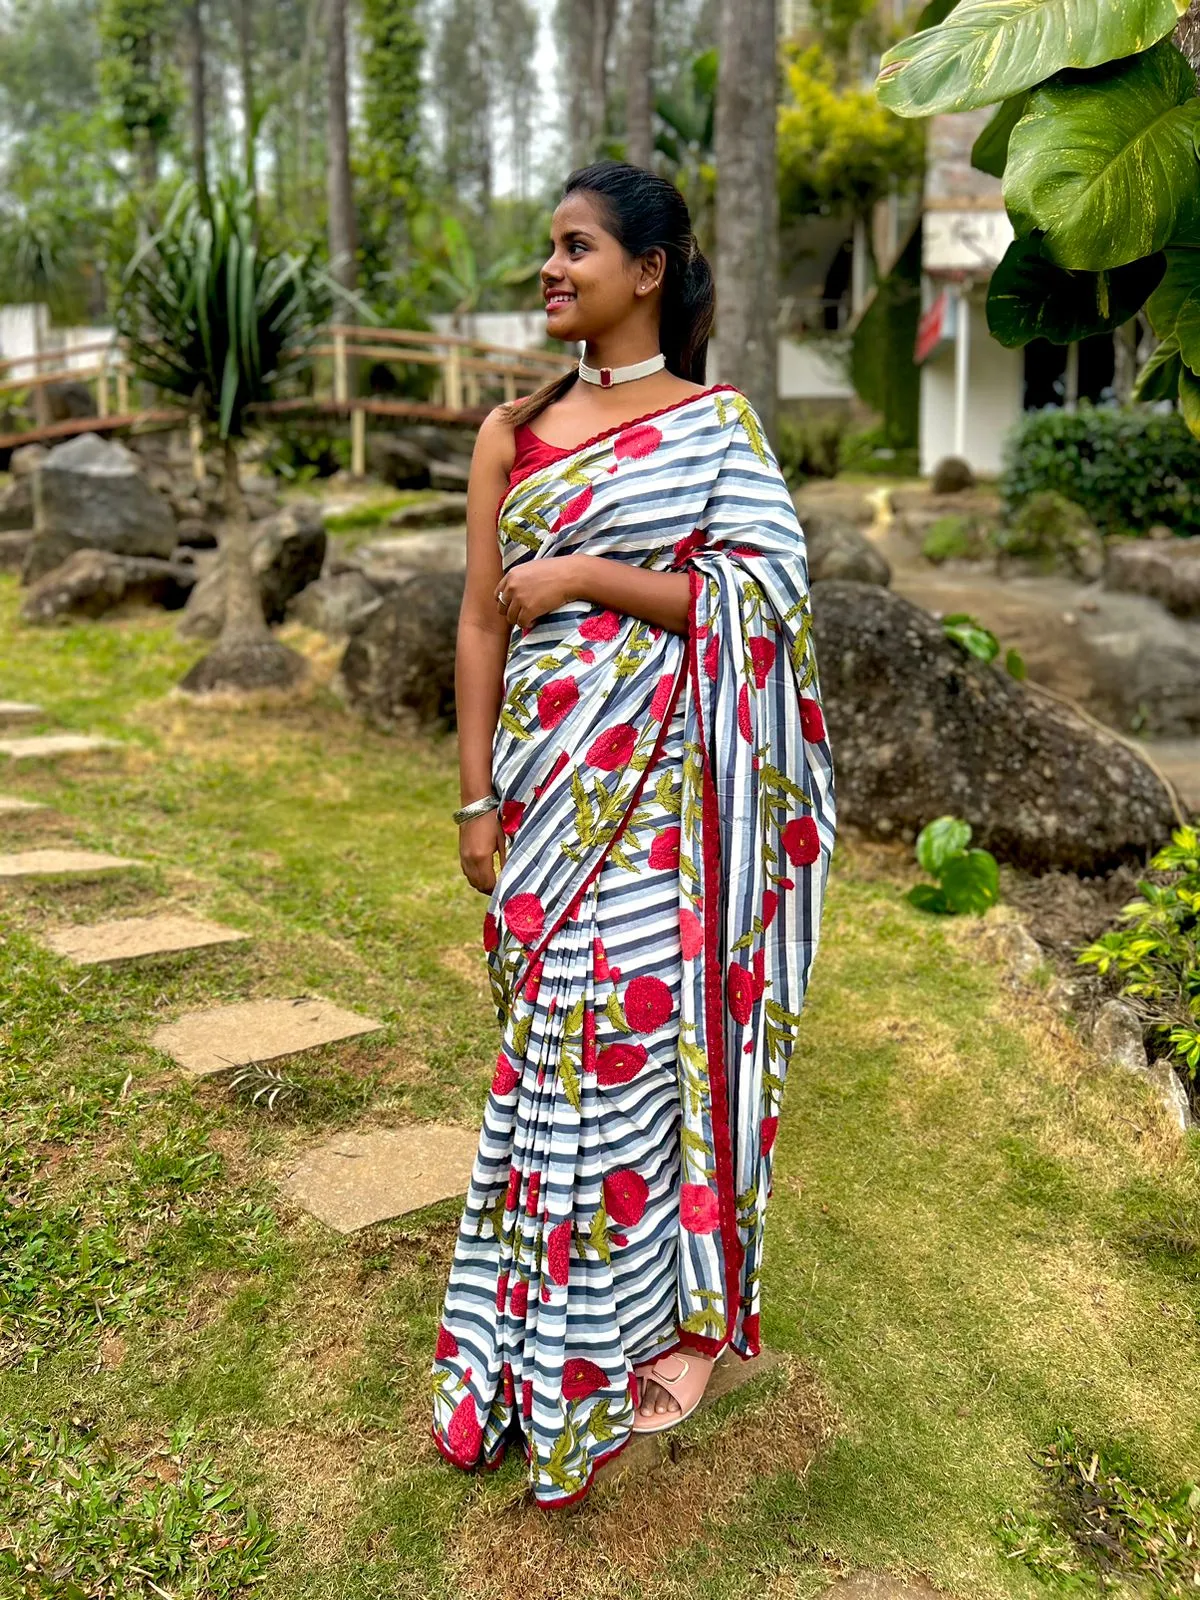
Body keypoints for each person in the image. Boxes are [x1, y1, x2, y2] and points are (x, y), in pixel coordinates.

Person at [430, 159, 836, 1509]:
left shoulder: (718, 429)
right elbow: (483, 621)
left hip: (664, 808)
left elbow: (769, 611)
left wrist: (597, 576)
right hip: (544, 800)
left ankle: (641, 1333)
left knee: (632, 1068)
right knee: (544, 1063)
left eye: (576, 246)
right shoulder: (511, 432)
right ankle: (516, 1344)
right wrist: (478, 793)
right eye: (547, 247)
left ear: (649, 270)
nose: (550, 268)